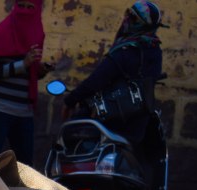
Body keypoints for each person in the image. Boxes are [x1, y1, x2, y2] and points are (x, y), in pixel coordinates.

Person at [62, 0, 165, 145]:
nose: (126, 19)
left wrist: (70, 101)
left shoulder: (125, 51)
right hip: (138, 126)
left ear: (139, 24)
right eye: (127, 14)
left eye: (132, 17)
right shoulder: (155, 50)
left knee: (70, 138)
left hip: (112, 122)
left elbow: (96, 81)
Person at [0, 0, 51, 166]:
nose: (24, 11)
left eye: (30, 7)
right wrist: (22, 64)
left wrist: (40, 70)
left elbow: (28, 75)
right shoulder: (2, 31)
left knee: (24, 168)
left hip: (24, 113)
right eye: (21, 6)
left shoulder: (36, 34)